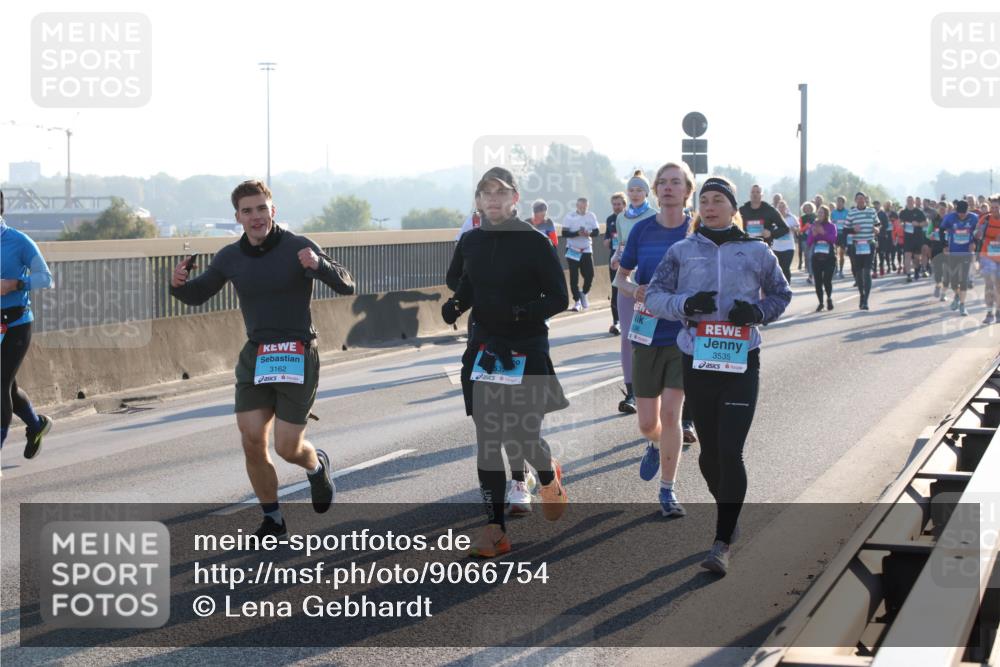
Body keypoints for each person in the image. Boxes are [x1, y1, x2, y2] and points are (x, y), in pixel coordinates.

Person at [170, 179, 354, 538]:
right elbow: (198, 294)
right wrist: (178, 285)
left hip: (298, 353)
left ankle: (316, 466)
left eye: (261, 208)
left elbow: (346, 283)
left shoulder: (298, 245)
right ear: (237, 216)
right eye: (247, 211)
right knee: (252, 437)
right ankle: (272, 518)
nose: (256, 217)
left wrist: (318, 265)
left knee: (287, 447)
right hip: (257, 355)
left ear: (273, 210)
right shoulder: (230, 257)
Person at [645, 176, 792, 576]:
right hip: (699, 360)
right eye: (705, 200)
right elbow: (654, 297)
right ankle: (731, 510)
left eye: (718, 201)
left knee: (731, 450)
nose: (710, 207)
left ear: (732, 209)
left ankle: (722, 541)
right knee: (710, 455)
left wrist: (758, 313)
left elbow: (782, 294)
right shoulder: (681, 251)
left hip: (742, 360)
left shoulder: (757, 251)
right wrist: (684, 304)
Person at [449, 166, 569, 557]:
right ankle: (495, 530)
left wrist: (520, 312)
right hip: (486, 347)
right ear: (478, 201)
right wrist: (455, 305)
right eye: (486, 193)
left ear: (515, 198)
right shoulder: (471, 242)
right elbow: (469, 285)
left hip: (527, 346)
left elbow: (558, 298)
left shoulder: (534, 242)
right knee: (488, 438)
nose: (493, 200)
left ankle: (547, 472)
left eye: (501, 193)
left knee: (523, 436)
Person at [613, 162, 693, 517]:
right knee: (648, 422)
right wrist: (635, 289)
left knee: (673, 414)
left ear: (688, 190)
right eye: (663, 182)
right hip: (646, 334)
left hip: (683, 334)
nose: (669, 188)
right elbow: (620, 278)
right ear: (656, 189)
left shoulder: (697, 231)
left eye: (677, 182)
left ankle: (668, 491)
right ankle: (656, 443)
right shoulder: (643, 230)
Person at [0, 191, 54, 458]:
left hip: (17, 324)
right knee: (7, 387)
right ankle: (36, 424)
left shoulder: (19, 241)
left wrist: (16, 284)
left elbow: (46, 278)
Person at [610, 171, 658, 414]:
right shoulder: (621, 217)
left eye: (640, 189)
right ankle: (631, 393)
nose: (636, 193)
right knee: (627, 337)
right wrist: (615, 258)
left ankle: (651, 388)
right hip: (625, 281)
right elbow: (620, 244)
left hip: (648, 281)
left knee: (647, 336)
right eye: (632, 189)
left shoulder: (655, 216)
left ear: (647, 192)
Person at [939, 200, 978, 316]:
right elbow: (941, 230)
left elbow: (978, 232)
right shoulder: (950, 218)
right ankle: (957, 295)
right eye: (959, 213)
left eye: (964, 213)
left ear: (968, 210)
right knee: (954, 282)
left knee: (964, 280)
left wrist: (974, 242)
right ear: (956, 210)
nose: (961, 215)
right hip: (953, 252)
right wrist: (945, 245)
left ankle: (962, 305)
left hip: (966, 252)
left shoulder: (974, 218)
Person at [561, 197, 600, 311]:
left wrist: (589, 233)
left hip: (586, 249)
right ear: (577, 206)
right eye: (580, 207)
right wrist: (577, 233)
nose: (583, 209)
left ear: (587, 206)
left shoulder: (591, 216)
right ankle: (577, 301)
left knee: (590, 275)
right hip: (573, 249)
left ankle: (584, 293)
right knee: (574, 277)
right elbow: (564, 233)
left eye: (585, 207)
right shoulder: (570, 217)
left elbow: (597, 232)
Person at [844, 192, 878, 310]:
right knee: (859, 273)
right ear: (855, 200)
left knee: (867, 272)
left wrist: (877, 229)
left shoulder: (872, 211)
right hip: (856, 246)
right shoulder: (852, 213)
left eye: (862, 199)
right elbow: (845, 230)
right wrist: (853, 230)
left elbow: (878, 224)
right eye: (858, 199)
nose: (860, 201)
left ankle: (866, 301)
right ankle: (862, 295)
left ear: (865, 200)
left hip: (869, 244)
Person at [604, 192, 626, 335]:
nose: (616, 207)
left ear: (624, 205)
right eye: (614, 204)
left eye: (619, 204)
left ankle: (629, 320)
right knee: (615, 290)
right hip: (614, 260)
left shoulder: (629, 218)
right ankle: (616, 321)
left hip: (630, 260)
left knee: (631, 292)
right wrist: (607, 241)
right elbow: (607, 239)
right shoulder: (610, 219)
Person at [808, 205, 838, 311]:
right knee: (818, 281)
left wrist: (823, 233)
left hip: (829, 257)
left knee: (827, 280)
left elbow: (833, 239)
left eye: (822, 213)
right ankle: (820, 302)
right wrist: (814, 234)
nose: (820, 214)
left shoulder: (831, 226)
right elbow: (809, 242)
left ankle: (829, 298)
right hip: (817, 256)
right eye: (819, 212)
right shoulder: (814, 225)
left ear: (826, 214)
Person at [976, 195, 1000, 324]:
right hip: (987, 256)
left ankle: (998, 312)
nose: (995, 210)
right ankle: (989, 313)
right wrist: (978, 233)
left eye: (997, 207)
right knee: (989, 285)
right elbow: (977, 233)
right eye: (993, 207)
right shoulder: (985, 219)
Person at [900, 196, 928, 282]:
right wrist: (901, 225)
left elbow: (926, 223)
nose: (909, 202)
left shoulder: (919, 212)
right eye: (908, 201)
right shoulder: (903, 212)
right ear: (906, 202)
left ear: (914, 202)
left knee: (916, 257)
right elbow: (900, 222)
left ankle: (917, 269)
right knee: (907, 255)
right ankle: (908, 274)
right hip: (907, 237)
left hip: (917, 236)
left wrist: (918, 224)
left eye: (911, 201)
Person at [774, 200, 799, 282]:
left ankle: (787, 285)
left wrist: (793, 228)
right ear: (777, 208)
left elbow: (798, 229)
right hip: (776, 247)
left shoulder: (791, 217)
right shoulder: (773, 218)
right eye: (779, 207)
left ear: (786, 207)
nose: (781, 208)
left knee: (785, 267)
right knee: (778, 268)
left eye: (783, 206)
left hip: (789, 247)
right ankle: (780, 285)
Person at [831, 196, 850, 279]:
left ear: (843, 203)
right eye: (837, 202)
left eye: (840, 202)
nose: (838, 203)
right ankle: (836, 269)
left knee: (841, 254)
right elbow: (831, 222)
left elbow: (849, 222)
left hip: (843, 234)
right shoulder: (833, 212)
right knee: (833, 253)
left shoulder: (847, 212)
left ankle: (841, 271)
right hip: (835, 234)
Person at [800, 202, 817, 284]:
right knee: (807, 257)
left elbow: (818, 227)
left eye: (809, 207)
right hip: (804, 239)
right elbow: (799, 230)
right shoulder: (802, 218)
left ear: (812, 208)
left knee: (811, 257)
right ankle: (810, 273)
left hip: (814, 239)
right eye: (805, 208)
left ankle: (811, 275)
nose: (807, 209)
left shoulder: (815, 217)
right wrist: (805, 227)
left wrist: (812, 227)